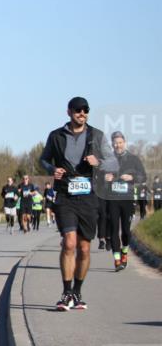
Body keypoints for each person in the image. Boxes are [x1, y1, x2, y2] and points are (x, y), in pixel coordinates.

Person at [39, 96, 117, 311]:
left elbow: (113, 162)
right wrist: (52, 169)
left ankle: (77, 292)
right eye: (77, 110)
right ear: (69, 112)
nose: (82, 113)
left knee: (84, 248)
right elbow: (43, 159)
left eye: (85, 110)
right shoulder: (56, 136)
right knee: (69, 243)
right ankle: (66, 293)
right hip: (65, 194)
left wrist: (98, 162)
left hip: (89, 196)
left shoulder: (97, 136)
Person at [104, 131, 146, 271]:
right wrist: (105, 178)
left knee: (126, 231)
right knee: (114, 229)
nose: (118, 145)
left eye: (120, 143)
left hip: (127, 198)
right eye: (115, 143)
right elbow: (98, 177)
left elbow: (143, 176)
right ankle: (117, 259)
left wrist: (132, 178)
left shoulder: (133, 159)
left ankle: (124, 252)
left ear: (125, 143)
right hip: (112, 199)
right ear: (112, 144)